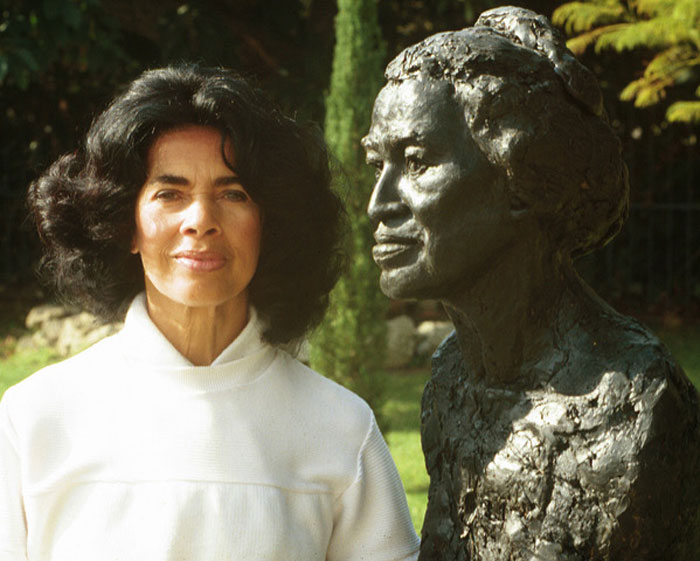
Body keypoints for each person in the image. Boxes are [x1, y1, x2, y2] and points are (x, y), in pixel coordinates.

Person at [0, 64, 420, 561]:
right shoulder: (36, 422)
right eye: (170, 194)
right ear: (125, 224)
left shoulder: (342, 432)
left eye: (232, 194)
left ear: (271, 224)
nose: (201, 221)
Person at [363, 7, 700, 561]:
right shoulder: (450, 381)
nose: (379, 203)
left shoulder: (634, 408)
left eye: (417, 161)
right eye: (378, 162)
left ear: (519, 179)